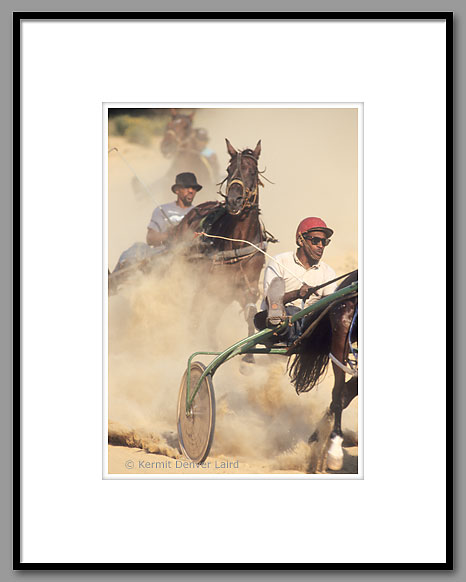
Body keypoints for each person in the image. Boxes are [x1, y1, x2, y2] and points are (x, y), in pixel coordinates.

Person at [256, 217, 338, 341]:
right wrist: (298, 294)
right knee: (269, 315)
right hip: (281, 318)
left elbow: (330, 306)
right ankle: (277, 320)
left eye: (324, 242)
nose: (321, 246)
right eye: (315, 241)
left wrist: (324, 303)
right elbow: (268, 300)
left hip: (310, 323)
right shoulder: (280, 261)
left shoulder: (328, 272)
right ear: (300, 240)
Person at [146, 172, 202, 247]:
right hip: (165, 255)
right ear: (177, 190)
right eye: (187, 187)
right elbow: (150, 239)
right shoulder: (162, 210)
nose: (191, 191)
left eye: (194, 188)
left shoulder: (199, 213)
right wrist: (169, 235)